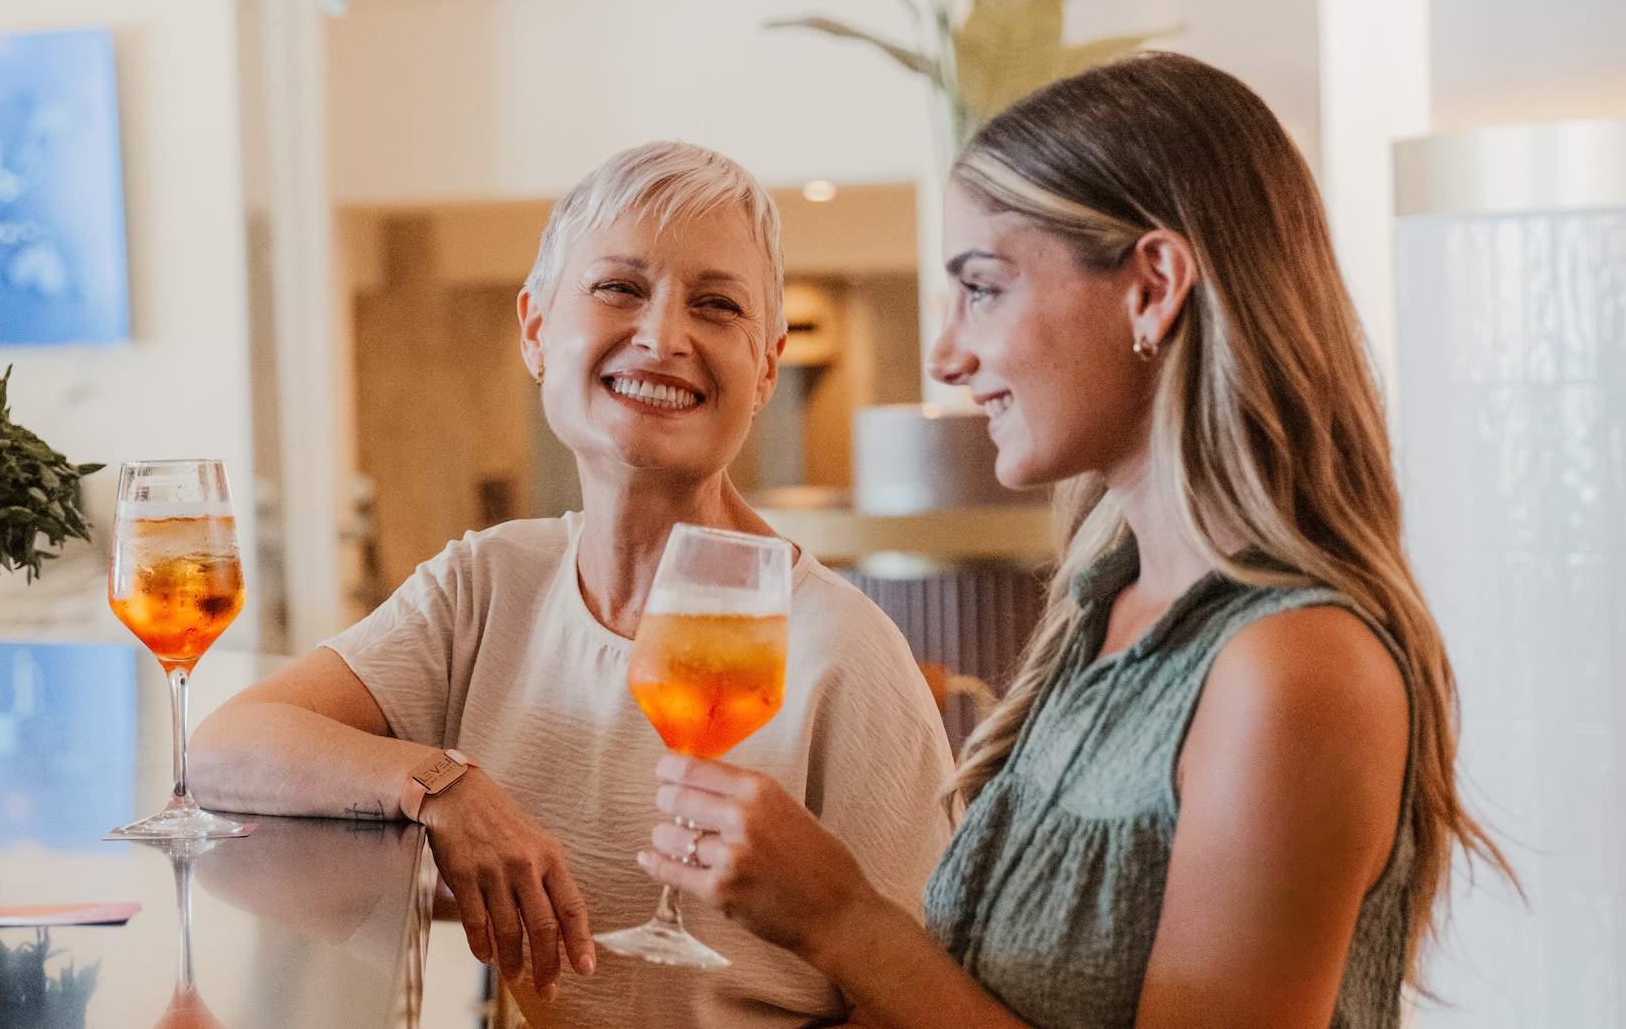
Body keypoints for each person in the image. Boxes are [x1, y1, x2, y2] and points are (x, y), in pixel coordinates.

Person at [639, 53, 1512, 1029]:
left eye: (983, 288)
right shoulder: (1103, 606)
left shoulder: (1292, 669)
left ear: (1150, 287)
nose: (945, 355)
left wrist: (842, 920)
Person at [190, 140, 953, 1028]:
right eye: (620, 289)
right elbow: (224, 747)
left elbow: (918, 1001)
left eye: (717, 304)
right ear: (536, 329)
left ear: (768, 364)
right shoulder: (485, 583)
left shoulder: (844, 653)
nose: (665, 337)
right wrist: (440, 785)